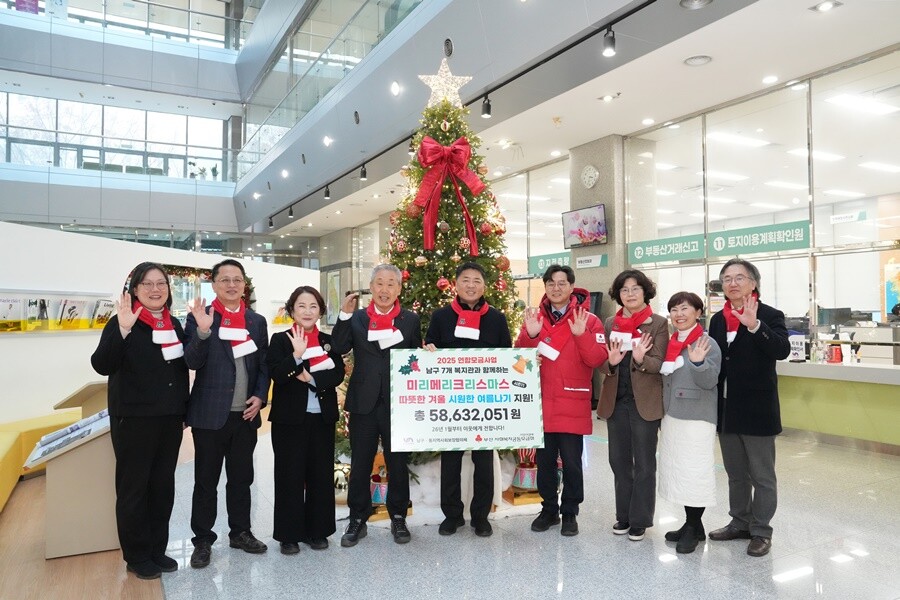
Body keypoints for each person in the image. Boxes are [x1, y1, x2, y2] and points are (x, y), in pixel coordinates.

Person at [90, 262, 189, 580]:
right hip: (133, 419)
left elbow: (180, 369)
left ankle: (157, 550)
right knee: (134, 489)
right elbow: (101, 364)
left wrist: (183, 411)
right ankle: (136, 555)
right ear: (134, 289)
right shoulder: (124, 322)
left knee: (162, 487)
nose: (156, 289)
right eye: (147, 284)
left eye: (161, 283)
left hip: (169, 419)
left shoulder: (173, 322)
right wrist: (121, 330)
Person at [184, 259, 270, 568]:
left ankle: (241, 532)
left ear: (244, 285)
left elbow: (263, 365)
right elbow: (191, 361)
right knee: (206, 481)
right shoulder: (200, 318)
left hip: (245, 416)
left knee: (241, 479)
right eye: (225, 280)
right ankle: (203, 540)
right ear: (215, 285)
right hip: (209, 415)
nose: (231, 285)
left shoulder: (256, 321)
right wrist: (204, 334)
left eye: (237, 279)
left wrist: (261, 395)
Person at [331, 264, 422, 546]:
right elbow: (338, 347)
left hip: (398, 402)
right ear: (371, 288)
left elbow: (414, 357)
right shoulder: (357, 318)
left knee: (397, 461)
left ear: (399, 289)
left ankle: (398, 517)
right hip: (363, 402)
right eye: (379, 283)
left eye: (391, 284)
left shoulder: (409, 320)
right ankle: (358, 517)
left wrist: (425, 354)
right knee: (361, 462)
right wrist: (344, 315)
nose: (385, 289)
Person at [515, 264, 608, 536]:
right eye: (551, 283)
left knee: (571, 462)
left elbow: (597, 359)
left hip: (572, 400)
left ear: (571, 287)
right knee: (543, 462)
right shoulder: (534, 319)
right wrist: (530, 337)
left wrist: (581, 336)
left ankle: (570, 512)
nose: (556, 288)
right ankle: (548, 510)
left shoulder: (589, 320)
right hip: (541, 401)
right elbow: (519, 362)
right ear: (545, 287)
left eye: (562, 283)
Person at [707, 258, 790, 557]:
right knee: (735, 473)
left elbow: (782, 350)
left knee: (762, 475)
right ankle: (739, 522)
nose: (732, 283)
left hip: (757, 409)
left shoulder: (770, 315)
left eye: (739, 277)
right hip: (727, 410)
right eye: (727, 278)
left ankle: (761, 530)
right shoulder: (717, 320)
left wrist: (754, 326)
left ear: (753, 283)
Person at [424, 262, 512, 537]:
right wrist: (428, 351)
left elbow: (507, 358)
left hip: (484, 402)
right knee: (450, 460)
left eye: (476, 280)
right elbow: (428, 352)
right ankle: (452, 515)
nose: (471, 285)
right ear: (456, 284)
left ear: (484, 287)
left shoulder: (497, 319)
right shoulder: (440, 317)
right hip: (451, 403)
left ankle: (480, 516)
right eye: (466, 280)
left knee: (484, 460)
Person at [267, 286, 345, 554]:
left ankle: (317, 531)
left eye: (313, 306)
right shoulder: (280, 340)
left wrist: (310, 378)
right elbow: (276, 373)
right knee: (289, 475)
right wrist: (296, 356)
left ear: (321, 311)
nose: (308, 311)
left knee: (320, 475)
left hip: (321, 418)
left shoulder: (327, 340)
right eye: (301, 306)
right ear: (292, 310)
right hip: (290, 420)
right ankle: (289, 535)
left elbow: (338, 373)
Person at [597, 269, 668, 542]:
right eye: (624, 289)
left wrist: (640, 358)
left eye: (635, 288)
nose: (630, 294)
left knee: (645, 464)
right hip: (617, 401)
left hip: (645, 403)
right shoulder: (610, 323)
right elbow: (601, 362)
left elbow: (659, 363)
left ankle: (640, 520)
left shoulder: (658, 324)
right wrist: (611, 362)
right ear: (619, 294)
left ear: (645, 292)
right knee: (619, 461)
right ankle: (623, 516)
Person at [656, 292, 721, 554]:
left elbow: (709, 381)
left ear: (697, 312)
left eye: (685, 309)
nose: (679, 314)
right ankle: (692, 524)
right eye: (674, 309)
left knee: (695, 473)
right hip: (672, 415)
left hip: (697, 418)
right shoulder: (672, 342)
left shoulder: (707, 343)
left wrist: (698, 363)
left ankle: (693, 527)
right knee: (678, 471)